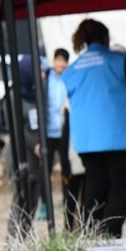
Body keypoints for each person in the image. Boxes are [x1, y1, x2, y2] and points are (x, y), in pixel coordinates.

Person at [62, 18, 126, 237]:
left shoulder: (72, 69)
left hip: (88, 142)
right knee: (122, 190)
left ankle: (90, 236)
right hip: (121, 137)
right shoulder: (120, 61)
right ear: (106, 38)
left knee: (95, 190)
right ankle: (108, 236)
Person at [44, 48, 73, 212]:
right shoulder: (45, 78)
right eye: (58, 60)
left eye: (64, 60)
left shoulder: (70, 79)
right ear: (54, 61)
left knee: (66, 166)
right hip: (48, 130)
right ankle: (45, 203)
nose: (61, 63)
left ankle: (66, 201)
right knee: (45, 168)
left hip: (64, 131)